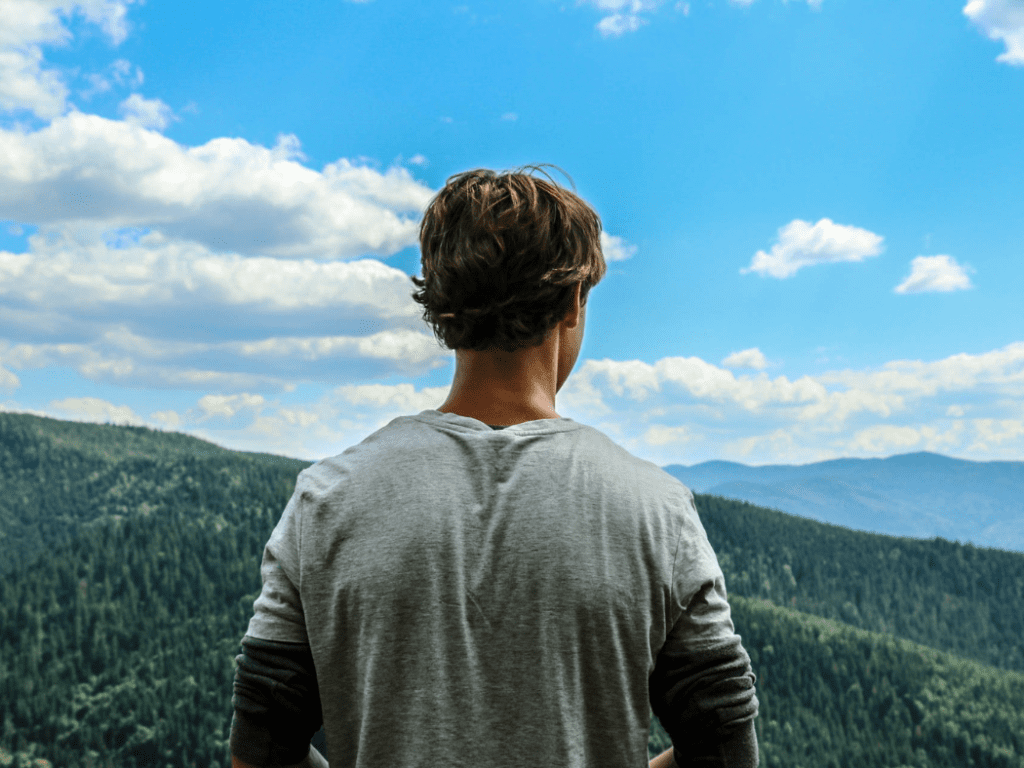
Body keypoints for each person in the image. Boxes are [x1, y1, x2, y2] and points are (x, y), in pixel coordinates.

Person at [229, 166, 760, 768]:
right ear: (573, 303)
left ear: (442, 306)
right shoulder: (657, 511)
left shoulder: (326, 501)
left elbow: (261, 748)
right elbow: (724, 748)